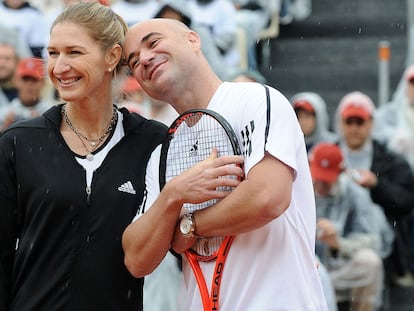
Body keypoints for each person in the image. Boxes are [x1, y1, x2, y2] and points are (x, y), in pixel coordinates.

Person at [122, 18, 328, 310]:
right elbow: (136, 258)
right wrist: (173, 195)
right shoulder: (162, 153)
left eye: (153, 43)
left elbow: (268, 197)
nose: (143, 59)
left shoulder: (257, 99)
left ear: (193, 40)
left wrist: (188, 226)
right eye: (133, 61)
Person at [0, 2, 167, 310]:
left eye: (74, 52)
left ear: (112, 57)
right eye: (53, 53)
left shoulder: (152, 142)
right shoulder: (17, 143)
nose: (59, 66)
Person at [335, 91, 414, 288]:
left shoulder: (390, 160)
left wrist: (376, 185)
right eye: (349, 121)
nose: (354, 128)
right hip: (333, 235)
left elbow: (407, 200)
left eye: (359, 122)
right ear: (341, 123)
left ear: (371, 123)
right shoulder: (327, 156)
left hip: (380, 241)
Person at [310, 142, 392, 311]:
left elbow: (374, 241)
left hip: (340, 270)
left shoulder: (355, 194)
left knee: (370, 263)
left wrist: (338, 243)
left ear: (340, 173)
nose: (321, 184)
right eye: (318, 177)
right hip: (305, 269)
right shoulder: (298, 189)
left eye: (327, 180)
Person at [0, 57, 52, 130]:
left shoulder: (51, 113)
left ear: (43, 83)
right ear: (15, 80)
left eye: (34, 79)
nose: (29, 84)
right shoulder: (4, 114)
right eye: (25, 79)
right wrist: (4, 131)